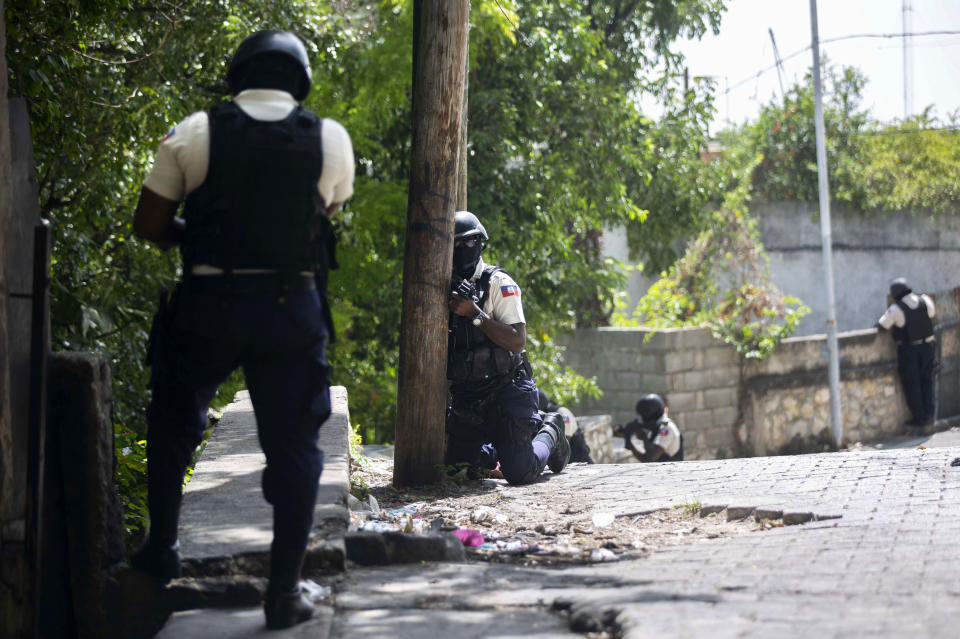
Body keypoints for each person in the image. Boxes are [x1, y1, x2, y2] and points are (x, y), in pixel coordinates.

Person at [129, 30, 354, 630]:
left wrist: (199, 238)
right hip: (291, 309)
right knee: (297, 445)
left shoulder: (192, 132)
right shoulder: (329, 139)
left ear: (239, 73)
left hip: (209, 302)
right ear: (300, 78)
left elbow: (149, 223)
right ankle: (283, 592)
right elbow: (317, 219)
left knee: (173, 420)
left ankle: (161, 549)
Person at [445, 211, 570, 484]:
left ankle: (551, 428)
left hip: (507, 389)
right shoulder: (444, 285)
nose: (462, 249)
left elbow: (517, 341)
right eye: (456, 244)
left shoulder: (498, 283)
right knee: (458, 470)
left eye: (469, 242)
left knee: (519, 471)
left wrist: (475, 314)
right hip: (469, 396)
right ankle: (498, 446)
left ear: (480, 243)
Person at [877, 277, 937, 428]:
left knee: (913, 384)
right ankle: (929, 417)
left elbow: (883, 325)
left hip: (909, 350)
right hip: (928, 347)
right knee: (927, 381)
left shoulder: (897, 309)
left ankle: (919, 418)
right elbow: (932, 314)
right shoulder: (925, 300)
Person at [613, 393, 683, 462]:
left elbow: (651, 457)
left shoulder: (666, 428)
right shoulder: (656, 428)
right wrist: (630, 445)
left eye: (643, 415)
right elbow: (645, 459)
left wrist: (643, 437)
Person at [537, 389, 594, 464]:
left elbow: (565, 443)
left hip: (580, 462)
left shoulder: (562, 413)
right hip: (565, 464)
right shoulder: (541, 416)